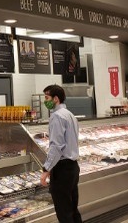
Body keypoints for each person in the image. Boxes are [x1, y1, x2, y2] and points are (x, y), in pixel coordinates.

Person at [40, 84, 82, 223]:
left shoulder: (57, 116)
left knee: (64, 212)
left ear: (56, 98)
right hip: (73, 167)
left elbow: (56, 146)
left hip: (62, 169)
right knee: (73, 209)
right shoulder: (70, 114)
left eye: (47, 97)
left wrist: (46, 169)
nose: (45, 101)